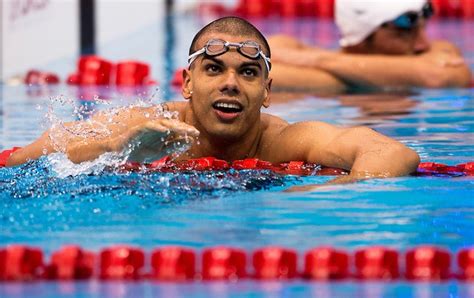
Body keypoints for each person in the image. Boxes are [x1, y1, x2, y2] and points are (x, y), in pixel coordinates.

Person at [6, 17, 420, 184]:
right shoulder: (148, 124)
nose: (231, 83)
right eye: (214, 69)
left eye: (248, 72)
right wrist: (119, 148)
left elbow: (392, 153)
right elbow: (30, 156)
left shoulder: (285, 142)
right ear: (187, 83)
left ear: (268, 92)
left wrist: (328, 191)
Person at [269, 0, 471, 92]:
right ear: (362, 37)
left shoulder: (304, 58)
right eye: (404, 31)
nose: (423, 44)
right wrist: (410, 75)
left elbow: (446, 77)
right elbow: (260, 77)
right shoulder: (286, 45)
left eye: (422, 26)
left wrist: (317, 59)